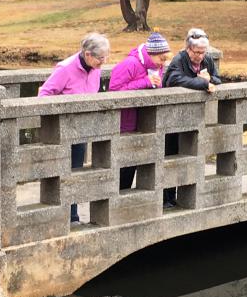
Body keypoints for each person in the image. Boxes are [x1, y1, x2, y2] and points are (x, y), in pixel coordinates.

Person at [38, 32, 110, 224]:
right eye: (100, 58)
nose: (103, 63)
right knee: (63, 173)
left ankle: (72, 216)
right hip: (62, 131)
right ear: (87, 54)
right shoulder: (66, 69)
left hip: (81, 130)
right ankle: (64, 216)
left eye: (105, 58)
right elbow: (44, 94)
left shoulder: (95, 68)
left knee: (76, 172)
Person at [162, 28, 221, 208]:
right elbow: (174, 79)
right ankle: (167, 197)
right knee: (171, 155)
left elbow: (218, 79)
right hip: (172, 117)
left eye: (203, 52)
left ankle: (186, 195)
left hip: (194, 118)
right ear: (188, 49)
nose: (200, 56)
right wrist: (203, 82)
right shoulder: (179, 60)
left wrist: (210, 78)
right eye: (197, 52)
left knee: (190, 155)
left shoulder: (207, 59)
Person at [109, 32, 171, 190]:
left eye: (165, 59)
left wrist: (155, 85)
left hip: (144, 124)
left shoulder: (157, 67)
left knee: (136, 165)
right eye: (161, 58)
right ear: (151, 54)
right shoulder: (130, 63)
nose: (163, 63)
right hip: (124, 124)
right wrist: (145, 82)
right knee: (123, 168)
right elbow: (114, 91)